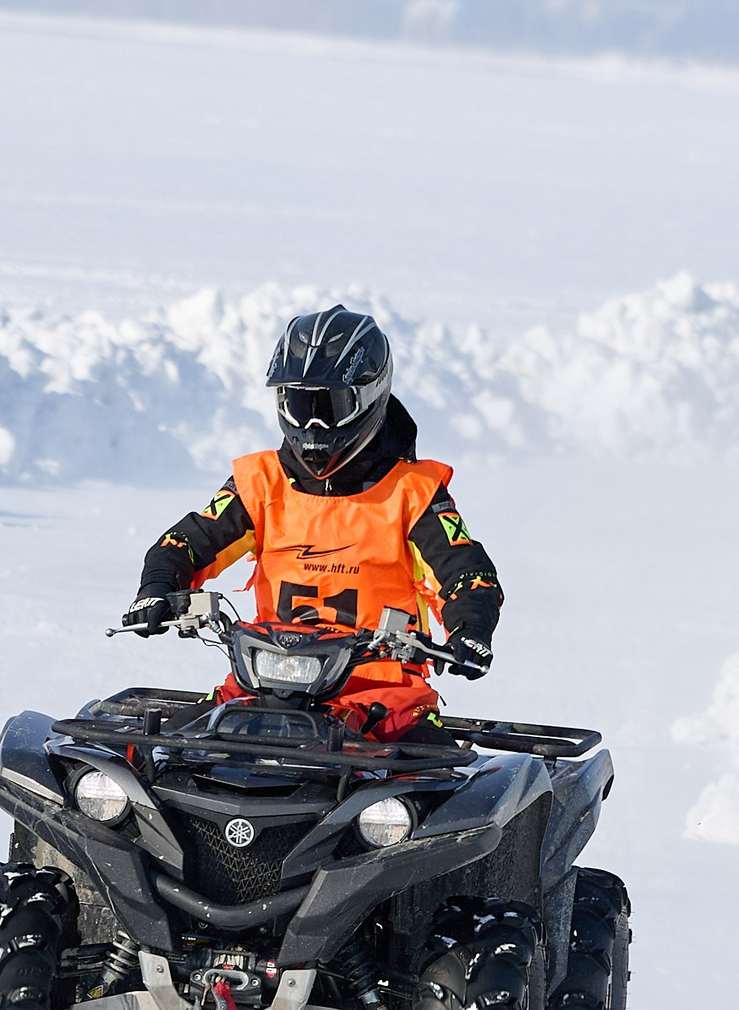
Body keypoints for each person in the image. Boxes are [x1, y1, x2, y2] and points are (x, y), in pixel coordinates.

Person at [121, 305, 502, 743]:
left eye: (330, 405)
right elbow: (184, 543)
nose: (313, 424)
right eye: (300, 404)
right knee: (150, 761)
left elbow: (467, 573)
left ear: (371, 397)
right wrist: (157, 589)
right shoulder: (260, 484)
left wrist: (469, 630)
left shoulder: (414, 493)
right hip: (261, 685)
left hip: (382, 695)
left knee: (433, 796)